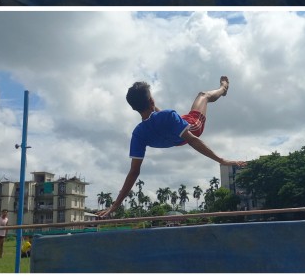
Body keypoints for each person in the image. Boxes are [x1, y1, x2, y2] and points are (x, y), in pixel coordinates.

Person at [98, 76, 245, 218]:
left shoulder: (138, 134)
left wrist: (115, 205)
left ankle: (221, 89)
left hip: (175, 131)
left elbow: (133, 172)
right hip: (193, 126)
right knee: (203, 95)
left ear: (133, 108)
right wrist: (221, 160)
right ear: (152, 101)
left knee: (161, 117)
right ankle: (223, 88)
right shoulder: (167, 116)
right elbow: (192, 140)